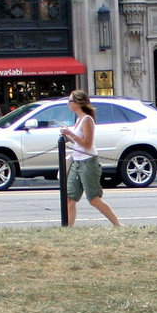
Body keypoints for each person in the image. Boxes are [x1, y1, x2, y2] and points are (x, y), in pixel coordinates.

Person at [62, 90, 121, 227]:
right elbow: (78, 142)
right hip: (77, 162)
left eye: (70, 101)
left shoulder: (87, 119)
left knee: (94, 199)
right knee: (70, 198)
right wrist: (67, 137)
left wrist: (70, 133)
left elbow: (87, 144)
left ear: (78, 103)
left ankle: (117, 224)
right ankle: (68, 229)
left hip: (88, 163)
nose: (68, 104)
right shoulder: (78, 119)